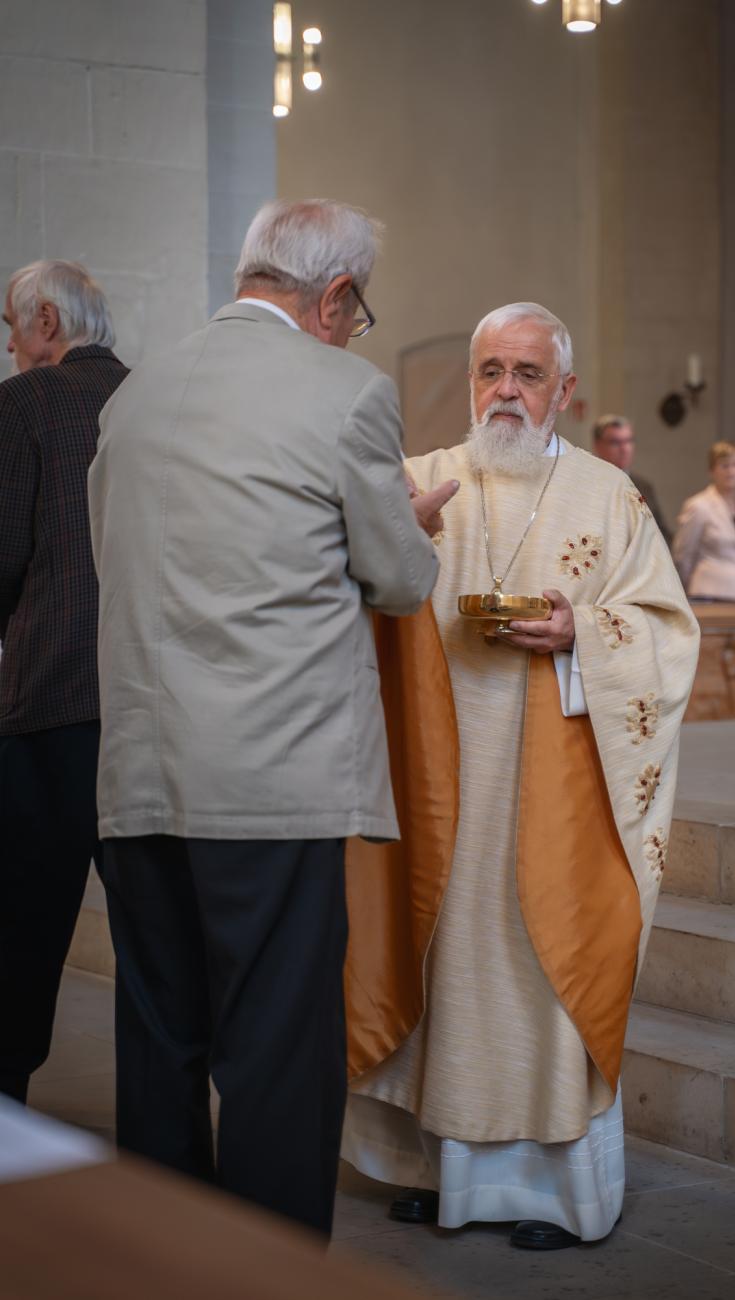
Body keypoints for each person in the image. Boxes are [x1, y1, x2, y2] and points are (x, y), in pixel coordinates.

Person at [88, 199, 453, 1237]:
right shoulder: (345, 391)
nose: (353, 327)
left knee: (159, 1045)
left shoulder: (138, 393)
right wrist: (409, 522)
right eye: (356, 309)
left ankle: (158, 1265)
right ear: (333, 297)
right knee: (275, 1059)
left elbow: (124, 559)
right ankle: (267, 1276)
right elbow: (391, 577)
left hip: (141, 777)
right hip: (271, 782)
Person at [340, 303, 699, 1249]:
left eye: (528, 374)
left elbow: (667, 631)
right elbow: (340, 591)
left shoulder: (610, 498)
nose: (506, 389)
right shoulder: (417, 482)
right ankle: (436, 1170)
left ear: (565, 392)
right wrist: (387, 539)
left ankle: (550, 1192)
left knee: (537, 974)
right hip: (434, 783)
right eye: (491, 370)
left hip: (556, 789)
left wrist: (584, 631)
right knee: (443, 970)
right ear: (470, 383)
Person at [0, 261, 128, 1105]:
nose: (11, 346)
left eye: (11, 326)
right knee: (153, 941)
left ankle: (6, 1099)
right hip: (150, 708)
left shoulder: (25, 404)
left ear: (47, 320)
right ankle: (165, 1140)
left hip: (49, 700)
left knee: (21, 930)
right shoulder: (149, 399)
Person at [672, 440, 735, 600]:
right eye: (725, 465)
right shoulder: (698, 505)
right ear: (711, 470)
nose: (731, 471)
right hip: (709, 593)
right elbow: (683, 556)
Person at [592, 413, 671, 543]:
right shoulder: (589, 484)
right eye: (615, 442)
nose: (624, 449)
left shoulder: (644, 486)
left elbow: (661, 533)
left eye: (629, 441)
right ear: (598, 445)